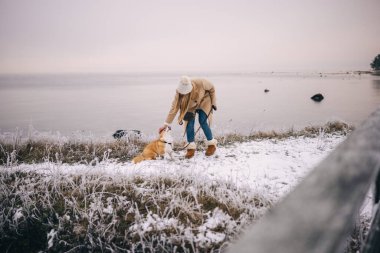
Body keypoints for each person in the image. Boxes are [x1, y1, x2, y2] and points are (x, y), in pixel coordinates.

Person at [158, 76, 217, 158]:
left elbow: (212, 89)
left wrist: (213, 103)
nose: (183, 94)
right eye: (182, 93)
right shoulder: (178, 93)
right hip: (190, 106)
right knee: (189, 124)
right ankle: (191, 148)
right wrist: (166, 124)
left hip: (204, 101)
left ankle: (211, 145)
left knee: (202, 121)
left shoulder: (202, 82)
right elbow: (174, 108)